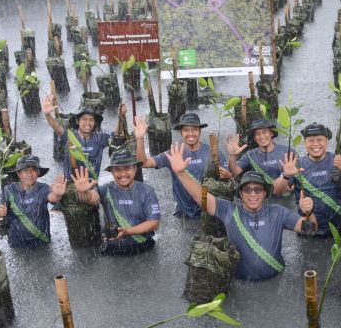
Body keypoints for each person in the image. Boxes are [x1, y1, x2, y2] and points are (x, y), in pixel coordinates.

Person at [166, 142, 316, 281]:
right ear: (241, 193)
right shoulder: (229, 210)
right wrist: (181, 173)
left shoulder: (278, 212)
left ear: (264, 193)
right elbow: (201, 197)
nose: (252, 194)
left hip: (276, 281)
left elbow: (310, 229)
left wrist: (308, 212)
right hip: (242, 282)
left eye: (258, 189)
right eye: (247, 189)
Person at [134, 112, 231, 218]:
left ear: (199, 131)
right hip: (183, 212)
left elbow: (229, 180)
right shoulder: (173, 154)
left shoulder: (213, 152)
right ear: (181, 132)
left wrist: (228, 176)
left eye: (194, 129)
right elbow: (144, 163)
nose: (191, 134)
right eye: (186, 130)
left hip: (207, 210)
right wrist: (139, 139)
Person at [0, 155, 98, 248]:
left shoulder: (43, 188)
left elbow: (52, 198)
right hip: (17, 245)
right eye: (25, 170)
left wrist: (58, 194)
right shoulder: (8, 191)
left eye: (33, 170)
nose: (30, 174)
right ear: (18, 173)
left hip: (42, 243)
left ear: (38, 173)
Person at [77, 149, 160, 256]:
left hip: (144, 246)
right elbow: (91, 198)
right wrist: (84, 192)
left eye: (127, 168)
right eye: (117, 170)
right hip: (113, 248)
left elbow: (154, 223)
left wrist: (127, 231)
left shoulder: (147, 190)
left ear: (135, 169)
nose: (123, 174)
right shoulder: (105, 189)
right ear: (111, 171)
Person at [280, 122, 341, 237]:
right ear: (304, 142)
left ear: (327, 141)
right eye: (311, 140)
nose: (315, 144)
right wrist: (285, 175)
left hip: (338, 227)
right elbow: (277, 191)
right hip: (310, 229)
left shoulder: (337, 160)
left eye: (320, 140)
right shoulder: (297, 165)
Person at [42, 94, 121, 179]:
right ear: (77, 121)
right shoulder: (70, 136)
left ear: (95, 123)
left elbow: (117, 135)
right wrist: (47, 115)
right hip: (71, 184)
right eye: (84, 119)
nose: (88, 123)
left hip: (92, 184)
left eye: (91, 120)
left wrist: (121, 117)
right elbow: (58, 128)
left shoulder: (100, 138)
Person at [226, 118, 293, 196]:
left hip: (286, 198)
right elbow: (235, 172)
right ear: (254, 138)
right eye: (257, 134)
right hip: (262, 198)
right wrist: (232, 155)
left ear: (271, 133)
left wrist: (293, 183)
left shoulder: (287, 151)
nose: (261, 136)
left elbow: (299, 174)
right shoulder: (250, 155)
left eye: (264, 132)